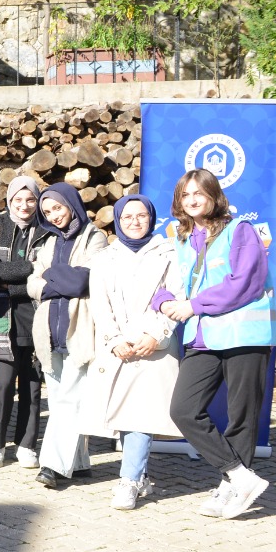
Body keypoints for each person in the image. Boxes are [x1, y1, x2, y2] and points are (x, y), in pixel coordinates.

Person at [153, 170, 276, 519]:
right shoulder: (180, 239)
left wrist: (193, 305)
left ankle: (230, 487)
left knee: (241, 416)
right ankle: (240, 476)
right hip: (202, 337)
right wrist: (163, 302)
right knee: (183, 410)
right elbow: (167, 283)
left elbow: (246, 283)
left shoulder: (240, 231)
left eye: (199, 193)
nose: (192, 200)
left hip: (243, 336)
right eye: (185, 194)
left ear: (213, 196)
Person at [86, 194, 181, 511]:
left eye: (141, 215)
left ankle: (128, 482)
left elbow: (176, 297)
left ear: (151, 218)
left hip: (153, 347)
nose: (134, 221)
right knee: (125, 417)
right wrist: (113, 339)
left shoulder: (169, 254)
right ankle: (139, 476)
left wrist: (155, 335)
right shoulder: (104, 258)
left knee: (142, 414)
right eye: (127, 217)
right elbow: (100, 304)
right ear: (117, 220)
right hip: (119, 348)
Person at [26, 183, 108, 490]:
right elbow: (32, 283)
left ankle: (53, 465)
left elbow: (81, 282)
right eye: (47, 212)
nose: (53, 216)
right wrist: (55, 278)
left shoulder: (95, 237)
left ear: (71, 205)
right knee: (62, 398)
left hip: (79, 329)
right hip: (49, 331)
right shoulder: (49, 241)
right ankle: (80, 462)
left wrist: (49, 276)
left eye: (57, 208)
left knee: (69, 399)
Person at [0, 176, 47, 468]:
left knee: (32, 386)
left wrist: (10, 280)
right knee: (2, 385)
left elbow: (48, 272)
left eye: (30, 199)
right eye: (18, 199)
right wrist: (30, 269)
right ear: (9, 201)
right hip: (0, 318)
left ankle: (27, 444)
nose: (24, 205)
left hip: (35, 317)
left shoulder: (47, 230)